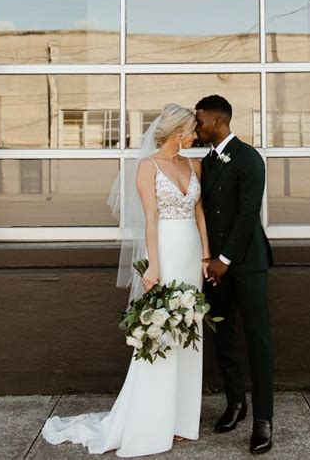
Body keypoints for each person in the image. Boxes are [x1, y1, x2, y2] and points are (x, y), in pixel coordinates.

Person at [41, 103, 211, 457]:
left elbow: (199, 213)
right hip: (164, 249)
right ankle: (154, 420)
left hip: (192, 255)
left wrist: (207, 256)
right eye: (192, 129)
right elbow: (150, 217)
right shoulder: (147, 168)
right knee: (162, 332)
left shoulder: (192, 164)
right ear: (178, 131)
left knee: (188, 331)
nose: (196, 135)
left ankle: (182, 420)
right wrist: (152, 265)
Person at [195, 94, 274, 456]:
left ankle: (263, 420)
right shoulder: (207, 162)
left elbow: (246, 215)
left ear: (218, 121)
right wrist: (209, 259)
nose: (197, 126)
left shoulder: (249, 158)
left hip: (247, 264)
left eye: (200, 120)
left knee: (257, 341)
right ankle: (235, 404)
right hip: (217, 267)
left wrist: (224, 259)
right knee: (222, 335)